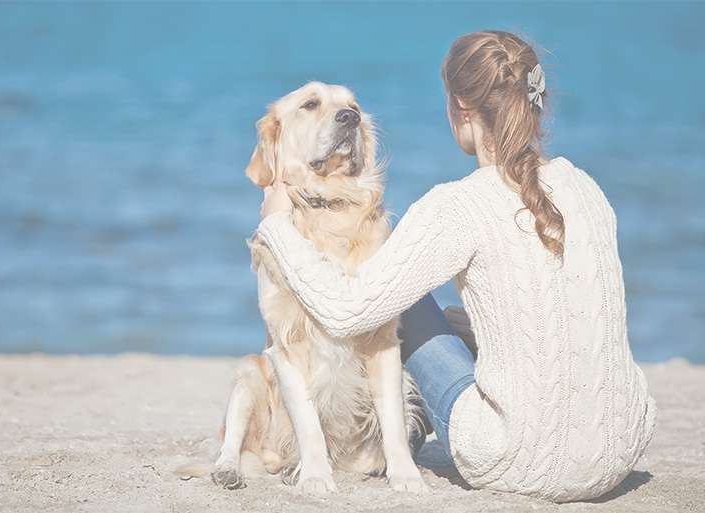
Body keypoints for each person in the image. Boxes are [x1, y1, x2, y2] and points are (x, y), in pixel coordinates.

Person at [256, 30, 656, 502]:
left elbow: (347, 313)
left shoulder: (459, 205)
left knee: (410, 302)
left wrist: (278, 226)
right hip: (620, 445)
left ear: (461, 109)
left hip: (512, 457)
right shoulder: (588, 189)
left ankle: (396, 431)